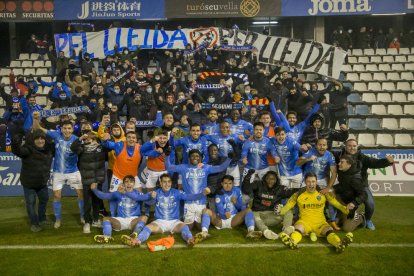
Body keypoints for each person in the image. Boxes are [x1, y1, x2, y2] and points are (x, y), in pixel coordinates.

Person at [122, 174, 208, 247]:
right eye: (164, 182)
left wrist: (203, 193)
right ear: (160, 183)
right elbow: (139, 198)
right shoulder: (155, 193)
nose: (167, 184)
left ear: (171, 183)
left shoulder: (177, 192)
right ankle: (136, 241)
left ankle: (190, 240)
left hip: (174, 222)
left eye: (169, 182)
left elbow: (190, 197)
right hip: (160, 222)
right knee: (148, 227)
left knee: (184, 227)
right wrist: (125, 192)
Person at [277, 172, 354, 253]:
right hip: (304, 222)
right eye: (308, 182)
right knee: (298, 228)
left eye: (313, 181)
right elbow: (289, 205)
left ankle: (339, 244)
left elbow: (335, 203)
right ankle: (292, 242)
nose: (311, 184)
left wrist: (345, 209)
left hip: (320, 223)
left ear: (316, 182)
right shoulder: (298, 194)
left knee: (329, 230)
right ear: (305, 182)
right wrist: (281, 211)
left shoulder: (323, 193)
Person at [32, 111, 84, 229]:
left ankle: (82, 216)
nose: (67, 131)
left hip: (73, 172)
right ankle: (58, 219)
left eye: (69, 128)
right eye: (65, 128)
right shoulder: (56, 135)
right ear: (61, 129)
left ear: (72, 129)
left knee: (81, 194)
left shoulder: (77, 139)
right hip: (58, 173)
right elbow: (37, 129)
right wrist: (35, 119)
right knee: (56, 196)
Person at [334, 139, 394, 230]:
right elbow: (326, 152)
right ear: (345, 146)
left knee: (370, 203)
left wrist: (387, 161)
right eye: (349, 145)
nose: (352, 148)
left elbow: (375, 163)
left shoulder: (362, 158)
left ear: (357, 147)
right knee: (331, 195)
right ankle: (338, 217)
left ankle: (367, 219)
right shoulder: (338, 156)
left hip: (360, 186)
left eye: (354, 146)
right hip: (344, 186)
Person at [165, 149, 231, 229]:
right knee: (189, 227)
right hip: (188, 203)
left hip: (201, 203)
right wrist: (167, 156)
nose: (195, 158)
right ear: (189, 158)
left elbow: (221, 168)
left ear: (200, 158)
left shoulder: (205, 168)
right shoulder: (183, 167)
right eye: (192, 156)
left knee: (200, 227)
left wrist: (229, 159)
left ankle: (204, 227)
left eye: (197, 156)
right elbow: (169, 167)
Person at [11, 130, 53, 232]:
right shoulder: (27, 149)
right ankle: (34, 223)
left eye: (42, 138)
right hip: (29, 183)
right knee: (31, 203)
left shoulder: (49, 150)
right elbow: (17, 151)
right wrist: (15, 142)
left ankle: (42, 218)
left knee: (44, 200)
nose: (40, 140)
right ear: (33, 140)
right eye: (37, 139)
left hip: (42, 183)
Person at [197, 175, 263, 240]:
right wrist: (224, 215)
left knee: (248, 210)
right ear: (222, 184)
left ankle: (251, 231)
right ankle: (204, 232)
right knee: (205, 211)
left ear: (233, 184)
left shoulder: (237, 190)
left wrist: (235, 202)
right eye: (225, 183)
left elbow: (241, 206)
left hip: (233, 220)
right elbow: (219, 209)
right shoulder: (219, 193)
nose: (228, 185)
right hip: (220, 220)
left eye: (230, 183)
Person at [91, 176, 151, 243]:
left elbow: (146, 199)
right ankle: (107, 236)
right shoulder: (118, 193)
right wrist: (95, 190)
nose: (129, 184)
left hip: (133, 221)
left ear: (134, 184)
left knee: (144, 217)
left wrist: (152, 195)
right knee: (105, 219)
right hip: (120, 221)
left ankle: (134, 235)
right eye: (126, 182)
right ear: (123, 184)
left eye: (131, 182)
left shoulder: (138, 194)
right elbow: (104, 196)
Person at [242, 170, 297, 240]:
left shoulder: (280, 188)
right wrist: (248, 176)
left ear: (276, 180)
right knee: (252, 213)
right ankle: (266, 231)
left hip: (273, 216)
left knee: (288, 211)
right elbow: (246, 189)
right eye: (268, 178)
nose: (270, 181)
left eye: (273, 179)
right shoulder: (258, 184)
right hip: (259, 216)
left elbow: (293, 191)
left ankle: (286, 231)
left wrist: (305, 188)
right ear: (265, 178)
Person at [297, 138, 338, 229]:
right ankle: (297, 217)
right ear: (316, 146)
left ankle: (332, 220)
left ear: (327, 146)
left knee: (332, 195)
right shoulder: (310, 152)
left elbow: (334, 173)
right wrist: (308, 159)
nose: (322, 147)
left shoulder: (330, 155)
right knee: (299, 196)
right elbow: (298, 163)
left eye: (324, 145)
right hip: (308, 179)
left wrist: (328, 188)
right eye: (319, 145)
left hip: (321, 180)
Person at [70, 132, 106, 233]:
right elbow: (73, 148)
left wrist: (105, 140)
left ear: (95, 139)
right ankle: (87, 222)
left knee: (97, 202)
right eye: (86, 140)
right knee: (87, 202)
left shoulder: (101, 148)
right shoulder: (82, 149)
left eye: (90, 139)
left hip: (98, 179)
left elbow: (109, 145)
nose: (87, 141)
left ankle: (95, 219)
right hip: (86, 180)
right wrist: (80, 138)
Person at [333, 155, 367, 232]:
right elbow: (343, 186)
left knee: (346, 229)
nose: (338, 164)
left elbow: (364, 194)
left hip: (350, 205)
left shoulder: (355, 179)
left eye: (342, 162)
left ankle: (361, 217)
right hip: (342, 200)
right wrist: (332, 189)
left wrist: (354, 203)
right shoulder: (343, 171)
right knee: (329, 194)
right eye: (339, 162)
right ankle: (339, 215)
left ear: (349, 164)